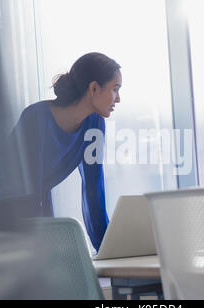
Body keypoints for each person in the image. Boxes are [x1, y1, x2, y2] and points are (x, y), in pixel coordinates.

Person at [11, 52, 122, 251]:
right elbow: (28, 195)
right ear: (94, 88)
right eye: (115, 89)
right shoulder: (35, 118)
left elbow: (93, 188)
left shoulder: (95, 123)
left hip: (36, 212)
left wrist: (107, 250)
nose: (118, 99)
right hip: (7, 216)